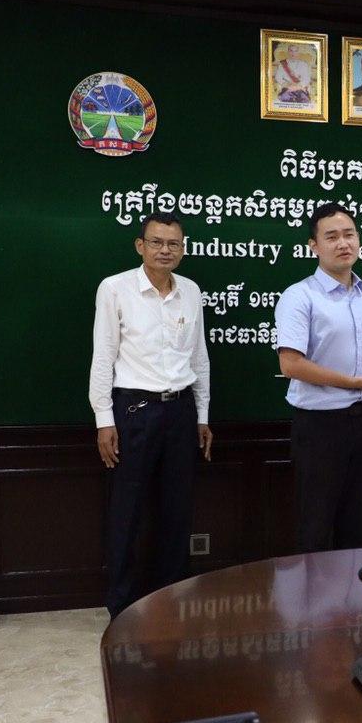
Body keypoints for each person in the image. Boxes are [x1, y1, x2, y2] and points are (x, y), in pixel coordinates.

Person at [89, 213, 213, 618]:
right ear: (140, 246)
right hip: (134, 411)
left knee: (177, 510)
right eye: (156, 242)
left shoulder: (191, 291)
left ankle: (171, 600)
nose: (165, 250)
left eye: (173, 244)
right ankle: (121, 607)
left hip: (180, 411)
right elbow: (103, 356)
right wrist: (104, 419)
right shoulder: (115, 288)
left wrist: (202, 414)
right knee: (127, 511)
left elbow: (199, 356)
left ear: (183, 249)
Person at [274, 203, 362, 552]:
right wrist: (355, 383)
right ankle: (314, 591)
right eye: (331, 237)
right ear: (314, 246)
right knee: (315, 525)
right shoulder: (299, 296)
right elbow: (291, 364)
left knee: (358, 522)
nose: (343, 243)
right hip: (320, 426)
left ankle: (353, 590)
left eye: (349, 234)